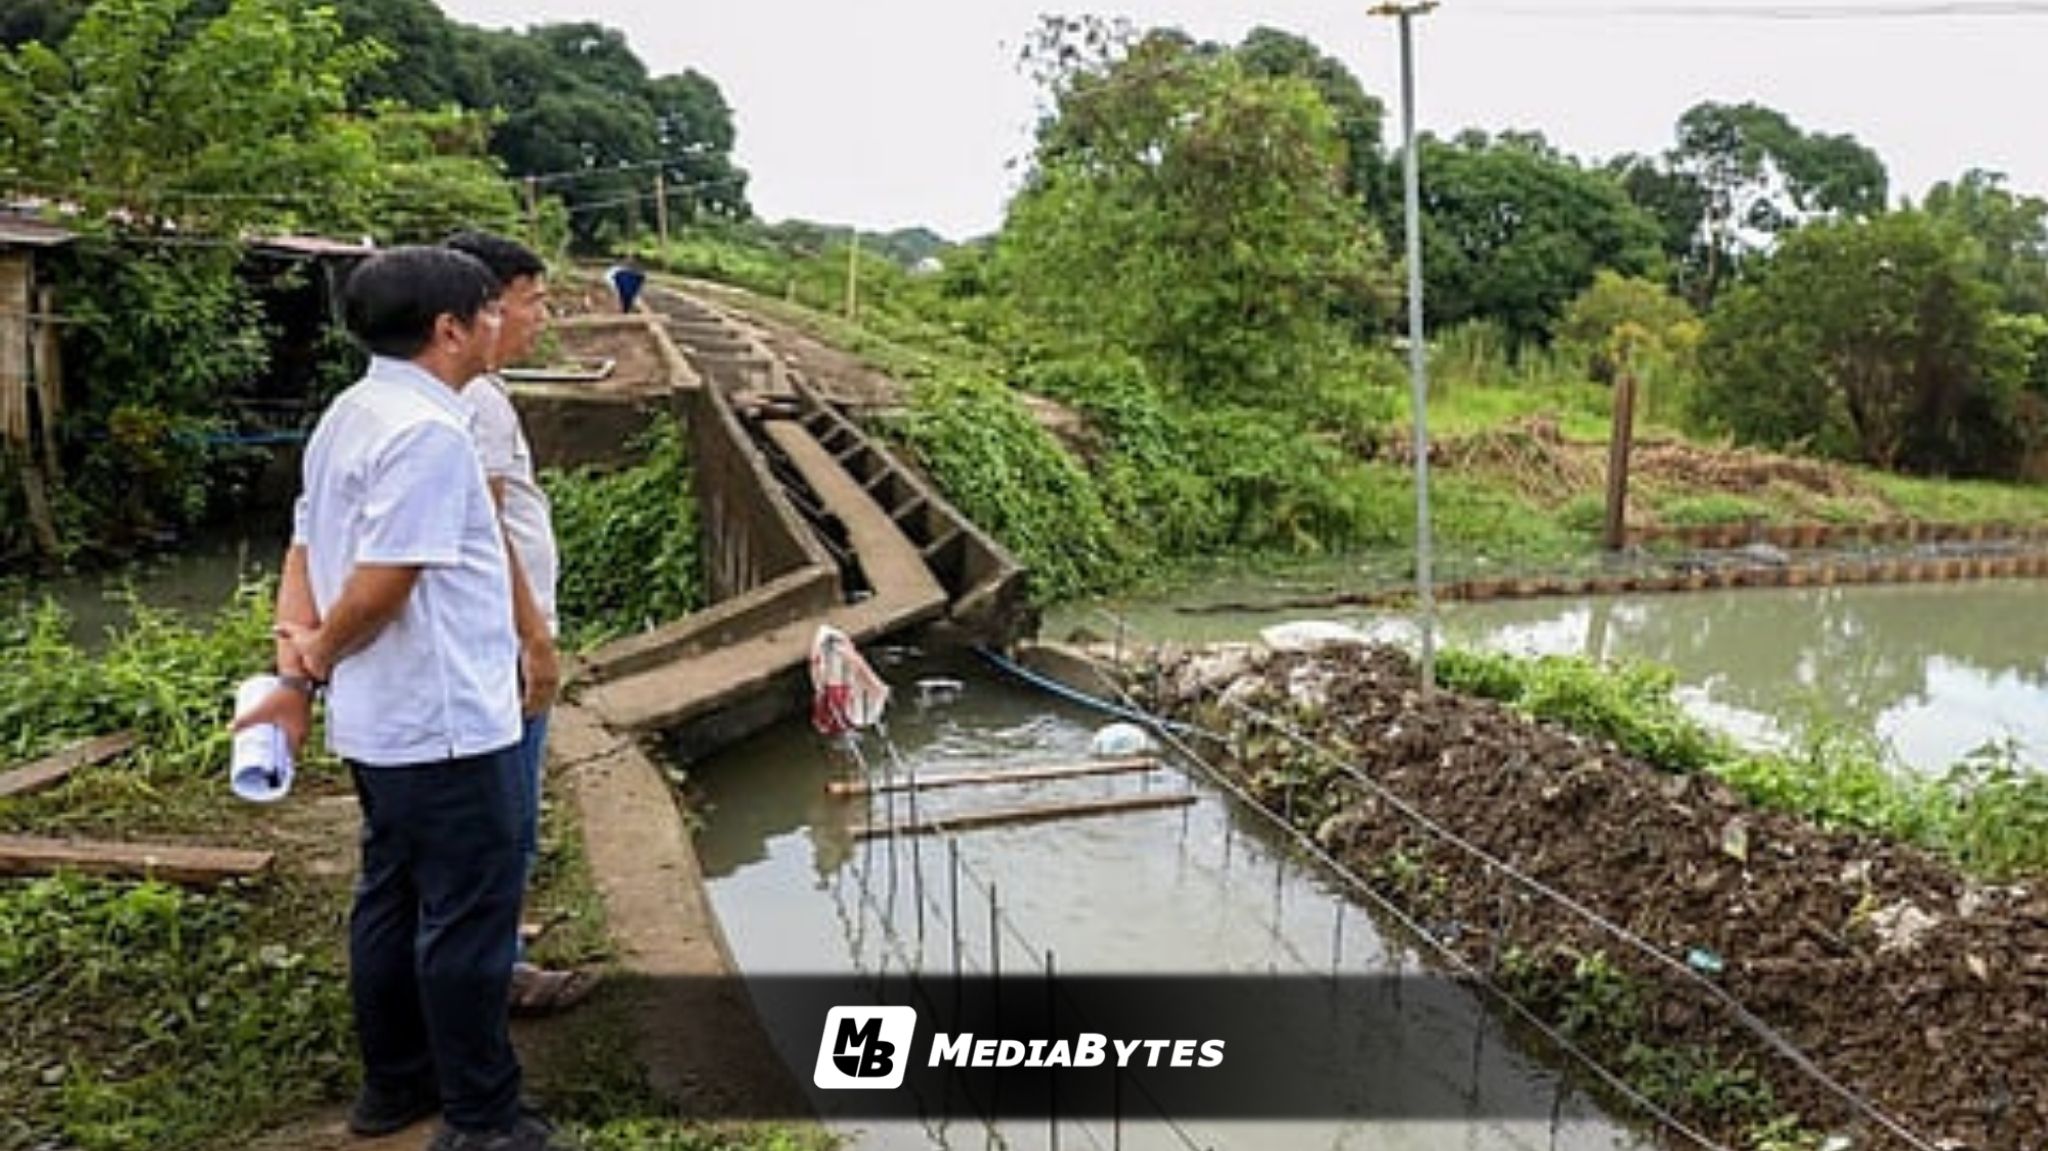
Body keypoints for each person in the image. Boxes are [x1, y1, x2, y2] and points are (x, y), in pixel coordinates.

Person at [236, 246, 566, 1151]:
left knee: (391, 895)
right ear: (449, 329)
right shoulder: (430, 433)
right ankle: (481, 1118)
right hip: (446, 719)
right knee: (469, 918)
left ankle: (396, 1084)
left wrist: (298, 666)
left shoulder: (350, 415)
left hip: (384, 722)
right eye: (489, 311)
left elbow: (304, 549)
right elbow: (387, 580)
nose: (502, 323)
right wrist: (314, 658)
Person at [443, 230, 597, 1015]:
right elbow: (487, 530)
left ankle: (487, 943)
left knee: (487, 812)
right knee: (504, 816)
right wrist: (534, 637)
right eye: (533, 300)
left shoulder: (451, 395)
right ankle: (495, 971)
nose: (543, 317)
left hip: (480, 641)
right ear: (487, 306)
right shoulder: (479, 402)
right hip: (499, 642)